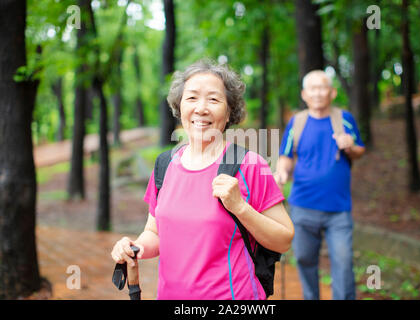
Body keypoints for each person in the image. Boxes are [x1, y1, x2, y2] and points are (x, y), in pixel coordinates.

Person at [111, 59, 294, 300]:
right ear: (180, 106)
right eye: (192, 98)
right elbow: (154, 232)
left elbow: (283, 240)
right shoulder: (164, 165)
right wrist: (134, 247)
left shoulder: (249, 165)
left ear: (229, 111)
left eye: (214, 99)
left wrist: (241, 208)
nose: (201, 108)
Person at [275, 70, 365, 300]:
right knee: (305, 260)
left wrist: (350, 146)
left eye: (322, 87)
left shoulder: (344, 119)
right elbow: (286, 155)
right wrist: (282, 172)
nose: (317, 92)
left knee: (343, 264)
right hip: (303, 206)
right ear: (304, 94)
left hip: (339, 209)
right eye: (312, 88)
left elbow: (359, 151)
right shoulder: (297, 122)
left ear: (332, 92)